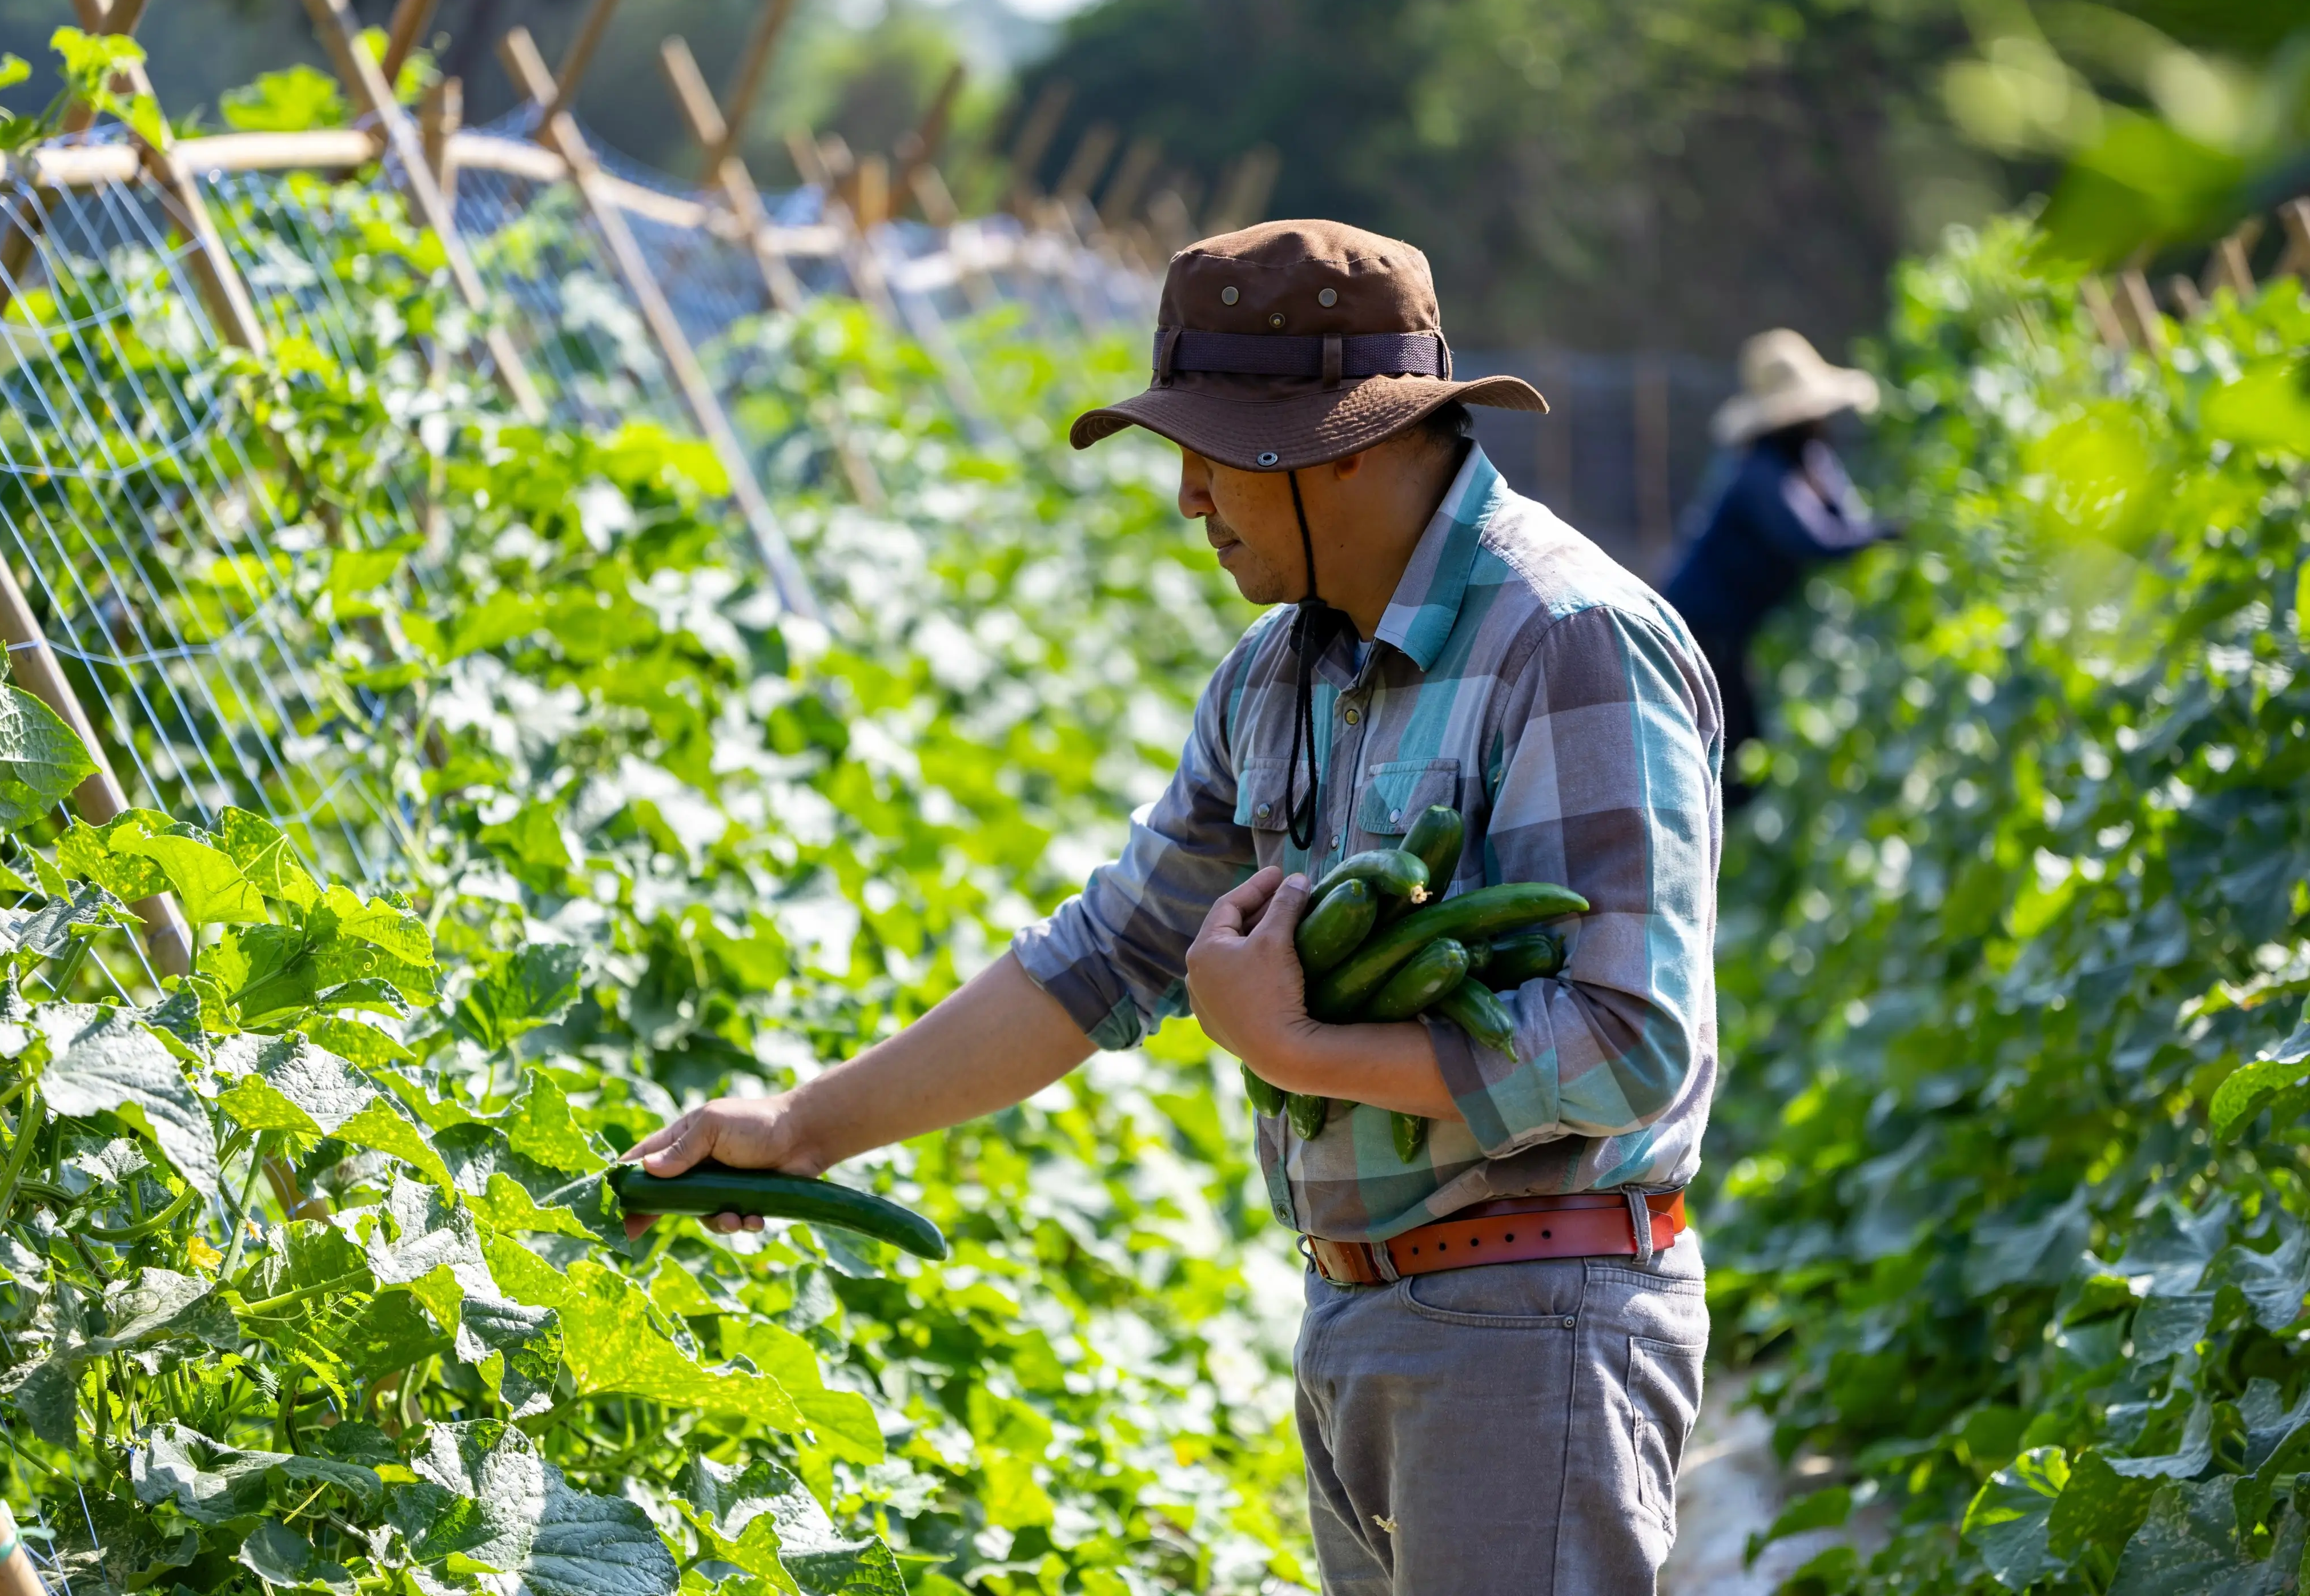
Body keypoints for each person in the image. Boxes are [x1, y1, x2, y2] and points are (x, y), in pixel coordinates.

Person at [626, 220, 1722, 1594]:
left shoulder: (1564, 642)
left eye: (1220, 452)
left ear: (1351, 442)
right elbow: (1107, 957)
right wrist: (802, 1129)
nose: (1192, 496)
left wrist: (1296, 1047)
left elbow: (1629, 1042)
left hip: (1533, 1321)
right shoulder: (1277, 675)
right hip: (1361, 1311)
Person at [1662, 328, 1887, 807]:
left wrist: (1871, 530)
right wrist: (1895, 533)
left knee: (1740, 751)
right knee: (1732, 762)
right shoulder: (1759, 473)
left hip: (1730, 632)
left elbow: (1847, 520)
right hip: (1703, 629)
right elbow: (1816, 541)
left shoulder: (1810, 460)